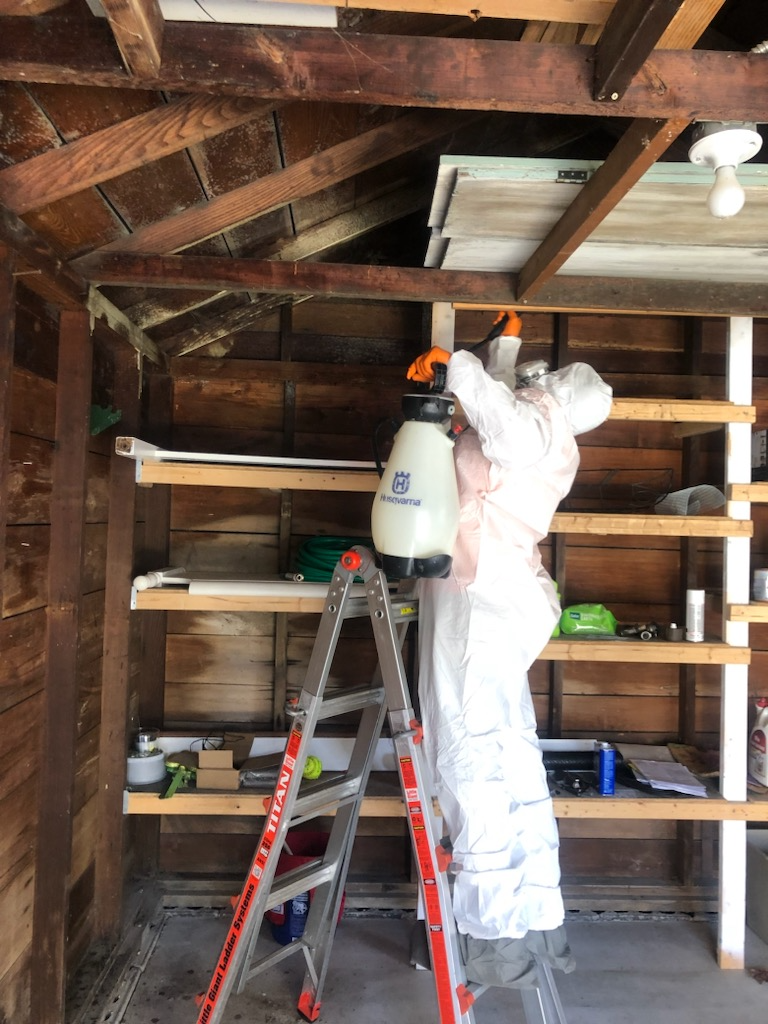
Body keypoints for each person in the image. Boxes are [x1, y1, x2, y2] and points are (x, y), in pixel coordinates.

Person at [406, 312, 612, 988]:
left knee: (469, 751)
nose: (534, 379)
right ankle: (540, 920)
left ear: (555, 394)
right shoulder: (547, 435)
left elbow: (492, 406)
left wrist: (454, 360)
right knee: (511, 751)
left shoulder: (529, 427)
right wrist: (505, 345)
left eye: (544, 378)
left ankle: (494, 936)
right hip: (498, 593)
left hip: (479, 601)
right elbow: (498, 408)